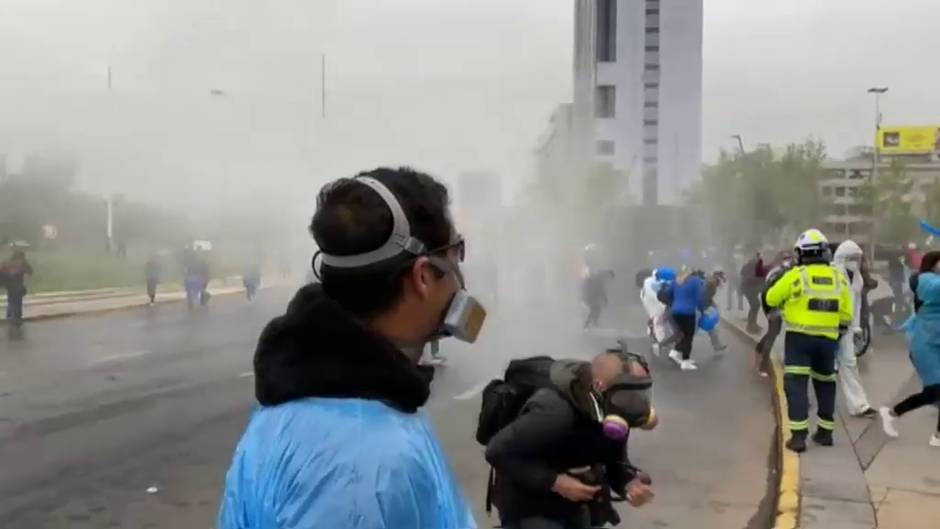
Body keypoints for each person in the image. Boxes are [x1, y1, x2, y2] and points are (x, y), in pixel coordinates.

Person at [217, 167, 484, 528]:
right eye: (456, 253)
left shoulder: (318, 400)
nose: (459, 276)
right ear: (423, 276)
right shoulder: (362, 469)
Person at [485, 351, 656, 529]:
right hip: (530, 505)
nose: (638, 404)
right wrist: (555, 482)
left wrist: (628, 483)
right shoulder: (554, 412)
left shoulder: (615, 412)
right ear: (600, 387)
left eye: (642, 393)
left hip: (577, 506)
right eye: (631, 395)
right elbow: (497, 451)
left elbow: (612, 460)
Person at [765, 229, 853, 452]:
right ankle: (825, 432)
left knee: (796, 385)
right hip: (828, 341)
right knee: (825, 384)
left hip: (799, 340)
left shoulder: (797, 275)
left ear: (801, 253)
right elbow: (847, 312)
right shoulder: (838, 277)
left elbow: (771, 297)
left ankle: (798, 438)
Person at [879, 251, 940, 447]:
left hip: (936, 343)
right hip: (925, 346)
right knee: (935, 390)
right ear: (933, 264)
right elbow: (935, 288)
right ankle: (892, 413)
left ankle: (937, 436)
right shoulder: (924, 280)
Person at [831, 241, 876, 418]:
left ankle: (859, 405)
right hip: (828, 328)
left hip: (847, 328)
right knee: (821, 367)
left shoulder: (857, 278)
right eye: (852, 258)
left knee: (849, 363)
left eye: (857, 258)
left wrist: (856, 327)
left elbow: (856, 304)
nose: (855, 262)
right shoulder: (832, 274)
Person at [755, 252, 793, 376]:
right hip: (773, 305)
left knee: (774, 332)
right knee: (773, 333)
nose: (788, 260)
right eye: (786, 259)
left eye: (789, 258)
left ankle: (760, 348)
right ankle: (763, 365)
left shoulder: (774, 271)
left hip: (768, 303)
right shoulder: (786, 273)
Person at [663, 268, 708, 371]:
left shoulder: (676, 280)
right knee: (688, 337)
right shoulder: (696, 281)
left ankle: (675, 353)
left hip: (675, 312)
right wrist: (702, 311)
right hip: (688, 313)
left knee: (683, 334)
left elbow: (667, 293)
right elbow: (699, 298)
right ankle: (685, 361)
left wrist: (674, 303)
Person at [2, 251, 33, 327]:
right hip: (18, 286)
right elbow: (30, 271)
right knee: (18, 302)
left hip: (9, 286)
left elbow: (2, 273)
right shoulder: (22, 263)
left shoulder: (7, 262)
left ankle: (10, 317)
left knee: (11, 301)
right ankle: (16, 318)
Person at [741, 252, 767, 334]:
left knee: (755, 305)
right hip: (749, 289)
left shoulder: (753, 265)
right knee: (755, 305)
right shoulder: (751, 266)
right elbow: (750, 277)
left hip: (751, 289)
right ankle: (751, 326)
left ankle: (753, 324)